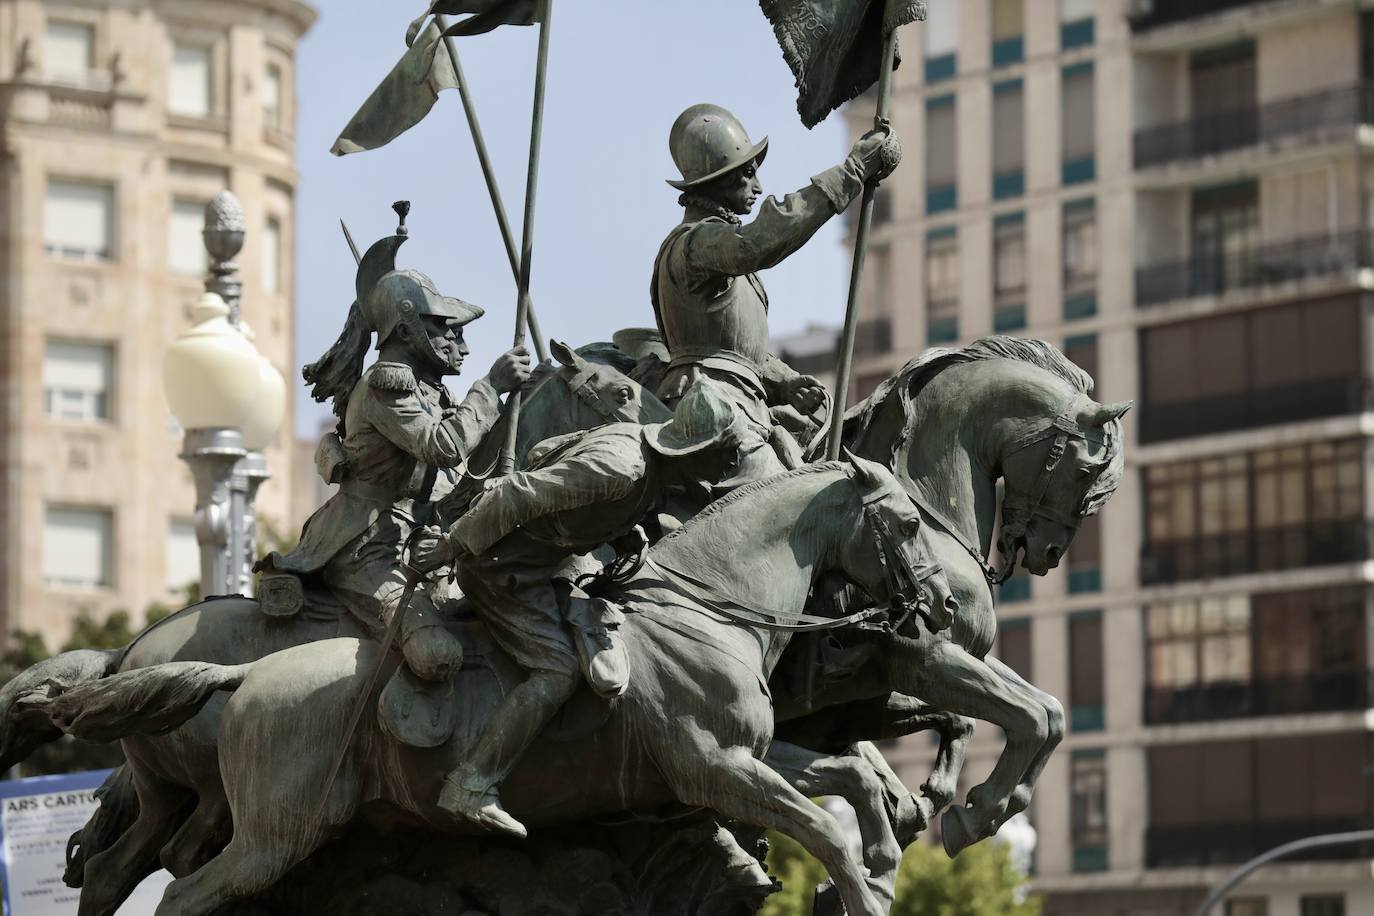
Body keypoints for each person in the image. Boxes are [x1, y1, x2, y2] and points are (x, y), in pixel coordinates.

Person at [410, 379, 746, 838]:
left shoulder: (643, 462)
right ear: (692, 449)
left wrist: (621, 532)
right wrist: (449, 547)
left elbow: (573, 498)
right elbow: (517, 493)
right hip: (503, 573)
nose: (731, 462)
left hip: (548, 564)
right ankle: (471, 784)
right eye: (723, 451)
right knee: (559, 670)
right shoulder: (620, 468)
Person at [257, 218, 531, 747]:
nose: (459, 342)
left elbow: (458, 463)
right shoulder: (388, 386)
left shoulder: (427, 389)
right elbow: (443, 446)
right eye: (445, 328)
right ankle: (388, 751)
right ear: (407, 331)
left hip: (419, 543)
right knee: (437, 652)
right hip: (369, 547)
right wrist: (492, 387)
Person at [652, 103, 900, 479]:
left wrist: (785, 382)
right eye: (747, 175)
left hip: (745, 407)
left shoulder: (715, 248)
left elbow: (734, 346)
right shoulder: (695, 245)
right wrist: (852, 172)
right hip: (710, 408)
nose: (758, 186)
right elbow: (761, 241)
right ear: (717, 180)